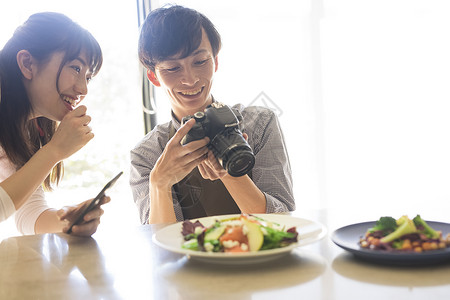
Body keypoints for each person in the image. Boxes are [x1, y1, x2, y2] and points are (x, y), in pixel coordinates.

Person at [130, 5, 295, 224]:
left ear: (215, 61)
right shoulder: (147, 154)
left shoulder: (259, 124)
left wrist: (229, 172)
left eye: (200, 62)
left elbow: (283, 221)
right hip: (187, 259)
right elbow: (160, 245)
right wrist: (160, 183)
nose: (190, 79)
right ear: (153, 76)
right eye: (172, 68)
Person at [0, 12, 108, 236]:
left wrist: (68, 221)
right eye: (76, 68)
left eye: (88, 77)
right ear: (27, 63)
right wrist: (54, 151)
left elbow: (28, 213)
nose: (83, 90)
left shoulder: (26, 128)